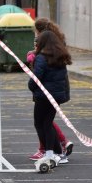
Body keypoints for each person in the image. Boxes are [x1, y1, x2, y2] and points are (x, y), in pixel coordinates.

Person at [27, 18, 74, 161]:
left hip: (44, 96)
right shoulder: (60, 56)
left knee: (40, 124)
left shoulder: (41, 58)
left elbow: (36, 78)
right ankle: (59, 153)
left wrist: (31, 86)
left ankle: (49, 153)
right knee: (48, 123)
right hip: (57, 95)